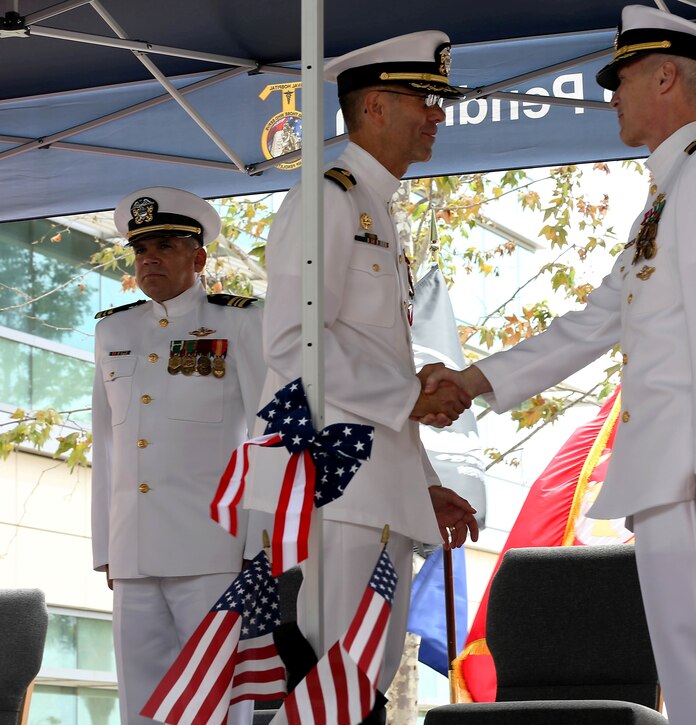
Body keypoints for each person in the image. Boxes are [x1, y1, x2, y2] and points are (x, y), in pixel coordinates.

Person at [419, 7, 696, 724]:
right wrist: (475, 381)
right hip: (685, 463)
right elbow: (598, 319)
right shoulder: (673, 192)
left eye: (621, 78)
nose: (612, 96)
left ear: (665, 76)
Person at [261, 30, 479, 719]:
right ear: (377, 106)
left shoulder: (374, 208)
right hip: (337, 492)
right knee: (336, 685)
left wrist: (428, 484)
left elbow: (373, 369)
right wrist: (412, 393)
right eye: (426, 99)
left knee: (360, 687)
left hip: (377, 492)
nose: (438, 114)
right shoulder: (326, 199)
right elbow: (294, 339)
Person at [91, 187, 266, 725]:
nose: (149, 259)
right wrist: (106, 548)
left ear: (199, 257)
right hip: (134, 549)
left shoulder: (241, 322)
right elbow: (106, 443)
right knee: (141, 704)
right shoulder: (113, 329)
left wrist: (257, 540)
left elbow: (266, 433)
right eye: (140, 249)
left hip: (214, 547)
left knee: (216, 699)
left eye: (164, 245)